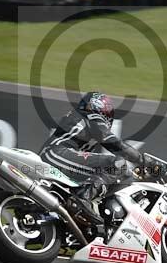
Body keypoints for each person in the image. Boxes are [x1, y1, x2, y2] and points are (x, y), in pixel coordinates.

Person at [40, 92, 143, 226]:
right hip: (56, 153)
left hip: (59, 157)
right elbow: (110, 141)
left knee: (124, 174)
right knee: (117, 164)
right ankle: (83, 197)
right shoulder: (90, 116)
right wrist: (141, 159)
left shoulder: (83, 121)